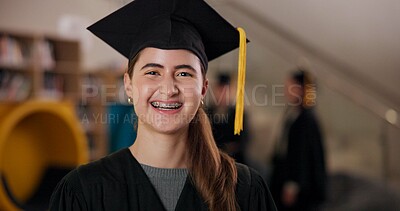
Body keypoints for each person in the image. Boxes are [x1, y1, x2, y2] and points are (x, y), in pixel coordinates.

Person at [49, 0, 276, 210]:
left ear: (203, 89)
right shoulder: (83, 190)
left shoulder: (245, 190)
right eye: (153, 72)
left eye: (184, 73)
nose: (168, 89)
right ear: (128, 85)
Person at [269, 69, 327, 211]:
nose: (286, 90)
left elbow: (302, 154)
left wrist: (293, 184)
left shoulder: (306, 118)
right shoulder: (293, 112)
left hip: (298, 184)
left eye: (290, 86)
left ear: (301, 89)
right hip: (283, 173)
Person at [207, 73, 250, 164]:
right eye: (220, 90)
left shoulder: (239, 114)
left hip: (234, 160)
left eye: (226, 91)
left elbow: (243, 140)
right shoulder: (207, 113)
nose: (223, 95)